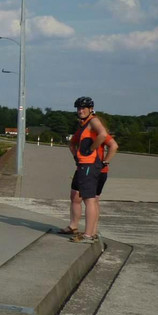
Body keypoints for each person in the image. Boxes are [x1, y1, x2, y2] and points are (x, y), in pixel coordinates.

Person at [60, 96, 114, 243]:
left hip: (90, 165)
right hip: (85, 165)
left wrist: (91, 149)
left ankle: (88, 235)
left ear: (91, 109)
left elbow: (103, 135)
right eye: (78, 108)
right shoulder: (85, 124)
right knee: (87, 199)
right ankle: (89, 232)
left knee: (89, 200)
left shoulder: (93, 121)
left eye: (83, 108)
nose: (80, 110)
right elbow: (73, 144)